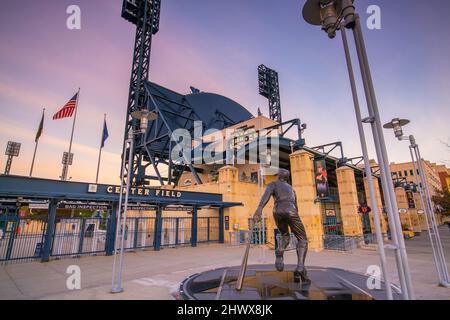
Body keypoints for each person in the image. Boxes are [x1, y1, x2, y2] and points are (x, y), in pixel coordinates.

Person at [253, 168, 310, 284]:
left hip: (277, 211)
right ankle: (300, 266)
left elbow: (266, 196)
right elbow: (296, 205)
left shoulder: (273, 184)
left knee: (285, 235)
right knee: (302, 239)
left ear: (278, 176)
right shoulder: (292, 189)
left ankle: (280, 252)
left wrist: (259, 209)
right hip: (291, 210)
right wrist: (294, 219)